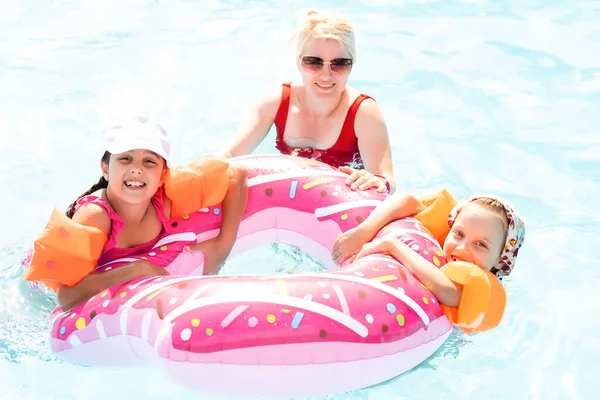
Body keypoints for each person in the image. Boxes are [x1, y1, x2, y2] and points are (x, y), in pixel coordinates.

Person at [28, 116, 248, 310]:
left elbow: (235, 175)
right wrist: (136, 269)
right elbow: (66, 296)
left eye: (149, 161)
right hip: (38, 294)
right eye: (125, 158)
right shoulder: (96, 215)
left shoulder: (166, 198)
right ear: (105, 168)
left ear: (163, 174)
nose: (137, 168)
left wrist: (223, 245)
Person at [218, 9, 395, 193]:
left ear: (352, 64)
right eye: (314, 62)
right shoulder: (276, 103)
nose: (326, 75)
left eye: (339, 63)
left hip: (342, 197)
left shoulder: (363, 113)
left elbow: (386, 179)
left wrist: (376, 181)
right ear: (299, 63)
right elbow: (230, 155)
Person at [331, 191, 526, 307]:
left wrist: (392, 245)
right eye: (458, 234)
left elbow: (450, 293)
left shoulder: (486, 287)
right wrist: (363, 232)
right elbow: (407, 200)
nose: (462, 248)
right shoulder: (435, 240)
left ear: (501, 259)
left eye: (481, 244)